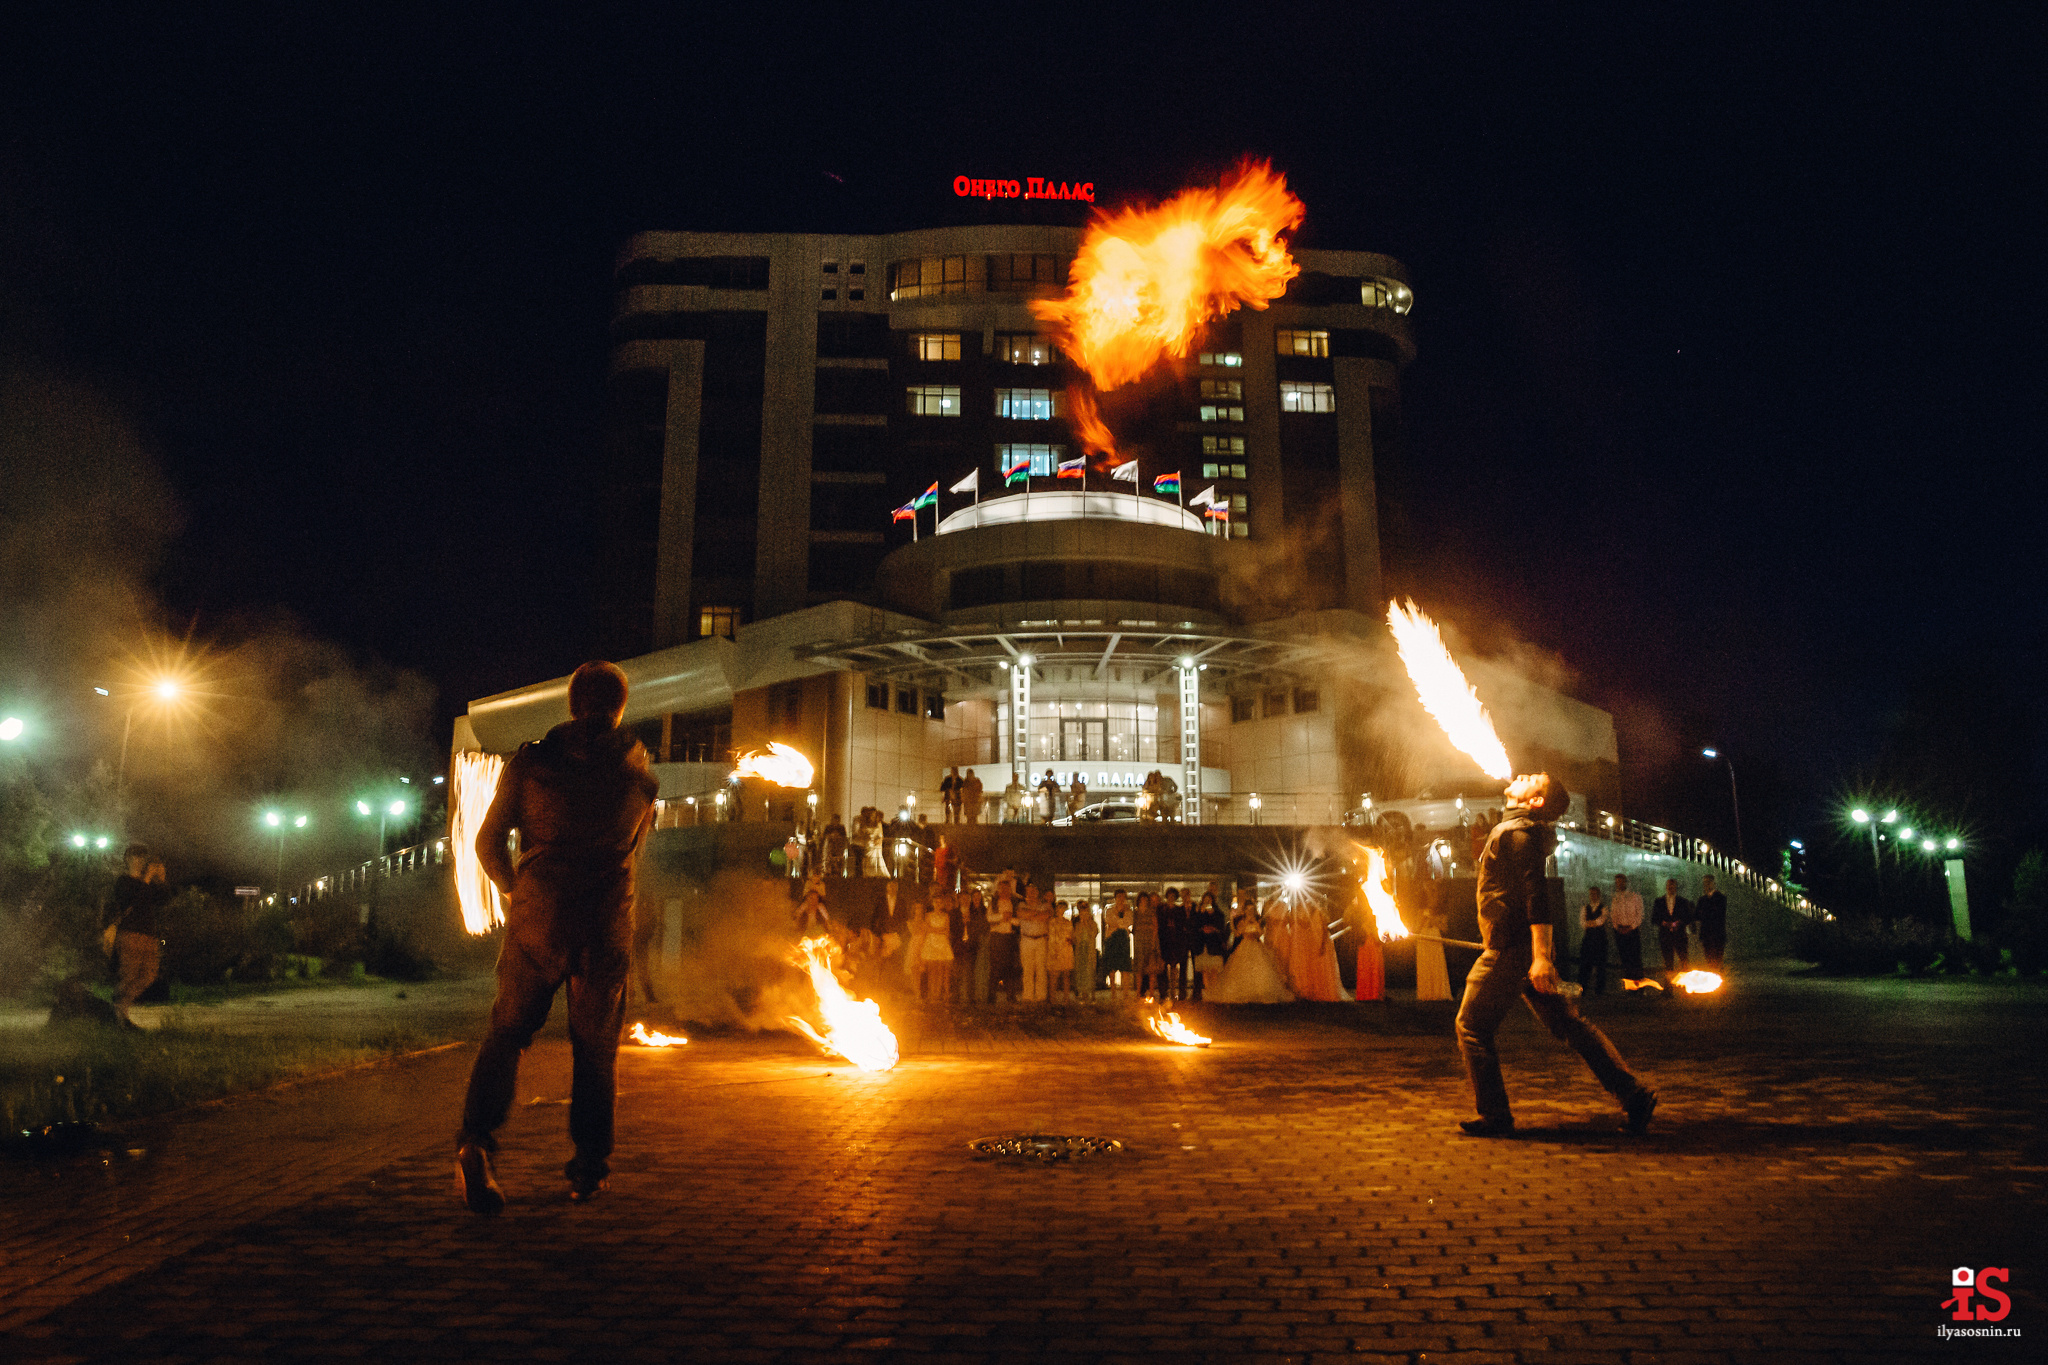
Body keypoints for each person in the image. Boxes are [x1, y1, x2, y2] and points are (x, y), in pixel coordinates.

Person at [458, 660, 661, 1213]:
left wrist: (513, 889)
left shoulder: (531, 764)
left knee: (508, 1033)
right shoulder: (640, 776)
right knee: (595, 1050)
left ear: (570, 705)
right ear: (620, 709)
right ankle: (588, 1169)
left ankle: (477, 1140)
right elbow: (632, 858)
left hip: (538, 915)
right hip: (604, 923)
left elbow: (486, 842)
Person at [1453, 774, 1656, 1138]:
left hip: (1511, 951)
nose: (1523, 775)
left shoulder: (1518, 835)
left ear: (1536, 803)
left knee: (1471, 1026)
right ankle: (1634, 1096)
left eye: (1535, 780)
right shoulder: (1516, 831)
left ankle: (1496, 1115)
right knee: (1569, 1026)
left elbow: (1537, 898)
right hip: (1521, 950)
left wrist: (1541, 957)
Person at [102, 845, 166, 1029]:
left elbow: (163, 899)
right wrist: (146, 879)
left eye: (142, 856)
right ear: (128, 859)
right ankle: (120, 1014)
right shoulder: (124, 881)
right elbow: (133, 901)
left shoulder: (148, 883)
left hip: (149, 935)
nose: (140, 860)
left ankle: (119, 1007)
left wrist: (160, 878)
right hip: (130, 933)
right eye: (136, 856)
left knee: (149, 974)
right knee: (129, 974)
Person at [1205, 895, 1295, 1003]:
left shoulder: (1257, 920)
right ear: (1245, 910)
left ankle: (1261, 992)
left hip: (1256, 946)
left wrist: (1255, 926)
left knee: (1261, 969)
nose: (1250, 911)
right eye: (1248, 909)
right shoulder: (1242, 921)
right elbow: (1238, 933)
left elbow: (1261, 932)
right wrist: (1238, 923)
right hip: (1245, 945)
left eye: (1252, 909)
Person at [1188, 889, 1230, 1001]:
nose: (1207, 902)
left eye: (1209, 900)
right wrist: (1199, 914)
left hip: (1214, 945)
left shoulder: (1218, 913)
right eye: (1205, 900)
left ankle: (1214, 994)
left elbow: (1221, 927)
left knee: (1214, 971)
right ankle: (1207, 995)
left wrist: (1213, 927)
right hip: (1202, 944)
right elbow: (1194, 926)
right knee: (1204, 970)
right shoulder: (1199, 912)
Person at [1017, 885, 1052, 1002]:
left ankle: (1041, 995)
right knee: (1027, 968)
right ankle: (1027, 995)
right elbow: (1022, 914)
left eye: (1034, 891)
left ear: (1037, 892)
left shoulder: (1045, 905)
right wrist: (1037, 915)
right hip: (1027, 939)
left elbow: (1046, 916)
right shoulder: (1022, 905)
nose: (1031, 894)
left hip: (1041, 939)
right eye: (1029, 892)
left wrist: (1030, 915)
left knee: (1041, 968)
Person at [1608, 873, 1647, 979]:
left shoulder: (1635, 896)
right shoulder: (1615, 897)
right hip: (1620, 931)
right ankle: (1629, 983)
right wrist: (1617, 927)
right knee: (1624, 958)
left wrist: (1631, 927)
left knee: (1635, 958)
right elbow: (1613, 915)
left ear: (1625, 882)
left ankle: (1639, 983)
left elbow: (1640, 914)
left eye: (1620, 882)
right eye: (1617, 882)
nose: (1618, 884)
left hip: (1632, 930)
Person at [1156, 888, 1192, 1001]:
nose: (1171, 898)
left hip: (1176, 940)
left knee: (1175, 967)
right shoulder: (1162, 908)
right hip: (1165, 941)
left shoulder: (1179, 909)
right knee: (1163, 967)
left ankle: (1175, 990)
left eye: (1173, 896)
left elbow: (1183, 924)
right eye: (1169, 896)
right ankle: (1164, 991)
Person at [1653, 878, 1693, 973]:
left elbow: (1688, 918)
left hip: (1680, 935)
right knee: (1668, 962)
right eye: (1669, 885)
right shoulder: (1659, 901)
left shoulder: (1683, 901)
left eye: (1673, 885)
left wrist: (1679, 922)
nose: (1671, 887)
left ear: (1676, 887)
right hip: (1665, 936)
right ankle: (1669, 984)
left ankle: (1686, 984)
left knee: (1684, 960)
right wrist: (1663, 923)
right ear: (1666, 887)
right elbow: (1654, 918)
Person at [1100, 889, 1134, 1001]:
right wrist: (1120, 923)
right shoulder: (1109, 909)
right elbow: (1109, 920)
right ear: (1115, 897)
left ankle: (1125, 993)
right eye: (1119, 896)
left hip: (1124, 939)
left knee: (1125, 967)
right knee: (1112, 966)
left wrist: (1118, 922)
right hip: (1112, 939)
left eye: (1123, 896)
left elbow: (1129, 922)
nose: (1121, 899)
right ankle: (1113, 991)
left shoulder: (1129, 910)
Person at [919, 895, 954, 1002]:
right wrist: (939, 930)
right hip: (931, 943)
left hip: (942, 944)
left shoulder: (946, 916)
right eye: (936, 902)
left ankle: (938, 994)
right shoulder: (928, 915)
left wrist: (934, 930)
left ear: (942, 904)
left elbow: (947, 932)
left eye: (940, 902)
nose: (938, 904)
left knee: (940, 970)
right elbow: (927, 930)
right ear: (933, 904)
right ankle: (931, 994)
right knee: (931, 971)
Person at [1577, 884, 1610, 995]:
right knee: (1586, 964)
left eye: (1595, 894)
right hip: (1589, 940)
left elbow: (1602, 920)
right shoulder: (1585, 907)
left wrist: (1590, 923)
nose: (1593, 896)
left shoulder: (1603, 907)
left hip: (1600, 940)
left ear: (1599, 895)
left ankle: (1599, 989)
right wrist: (1594, 923)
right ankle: (1583, 987)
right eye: (1591, 894)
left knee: (1601, 965)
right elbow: (1582, 923)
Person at [1695, 874, 1728, 969]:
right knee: (1709, 958)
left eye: (1708, 882)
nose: (1706, 885)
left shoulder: (1720, 897)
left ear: (1714, 884)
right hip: (1706, 933)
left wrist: (1704, 913)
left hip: (1717, 933)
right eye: (1705, 883)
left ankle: (1719, 978)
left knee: (1718, 958)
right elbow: (1697, 915)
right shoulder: (1702, 899)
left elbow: (1718, 914)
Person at [1071, 899, 1099, 1001]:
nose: (1084, 916)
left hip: (1090, 950)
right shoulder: (1077, 925)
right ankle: (1083, 994)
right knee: (1082, 972)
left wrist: (1087, 925)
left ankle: (1092, 994)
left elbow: (1094, 934)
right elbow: (1075, 938)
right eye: (1082, 914)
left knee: (1091, 971)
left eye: (1086, 913)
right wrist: (1081, 926)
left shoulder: (1093, 924)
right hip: (1080, 951)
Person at [1047, 900, 1075, 1000]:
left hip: (1066, 950)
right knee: (1054, 975)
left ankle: (1066, 997)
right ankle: (1052, 997)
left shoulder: (1068, 922)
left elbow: (1072, 935)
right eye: (1059, 908)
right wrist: (1053, 951)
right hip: (1055, 949)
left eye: (1063, 908)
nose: (1061, 910)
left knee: (1066, 975)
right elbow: (1051, 937)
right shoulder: (1052, 922)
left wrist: (1071, 940)